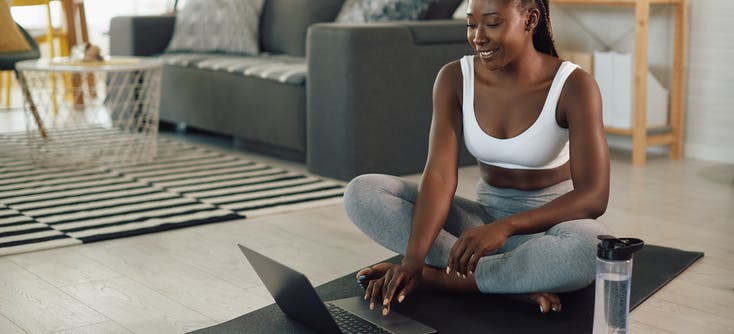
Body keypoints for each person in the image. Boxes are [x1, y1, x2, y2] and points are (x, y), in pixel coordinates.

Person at [343, 0, 612, 317]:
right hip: (479, 224)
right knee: (362, 193)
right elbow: (440, 175)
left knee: (589, 250)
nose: (478, 37)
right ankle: (508, 282)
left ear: (530, 20)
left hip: (551, 228)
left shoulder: (574, 85)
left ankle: (442, 280)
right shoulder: (454, 78)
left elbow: (594, 196)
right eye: (471, 24)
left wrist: (506, 227)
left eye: (492, 23)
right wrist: (413, 263)